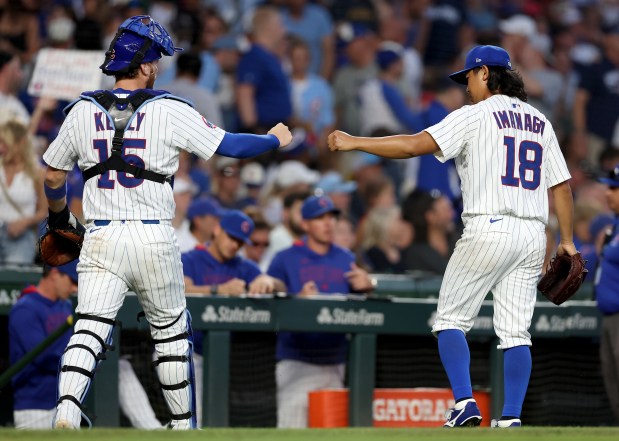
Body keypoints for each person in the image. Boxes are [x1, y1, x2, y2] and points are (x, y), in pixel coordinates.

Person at [41, 15, 291, 430]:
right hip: (154, 233)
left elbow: (52, 174)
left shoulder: (81, 110)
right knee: (171, 332)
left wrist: (58, 218)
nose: (158, 66)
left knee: (89, 328)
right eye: (154, 60)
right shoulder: (170, 109)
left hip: (102, 233)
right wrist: (273, 139)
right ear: (142, 65)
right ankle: (181, 425)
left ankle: (67, 410)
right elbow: (229, 145)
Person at [328, 45, 577, 428]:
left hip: (489, 225)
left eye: (469, 77)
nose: (465, 86)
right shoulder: (539, 120)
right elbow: (561, 186)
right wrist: (569, 241)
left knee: (449, 319)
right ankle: (510, 419)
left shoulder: (475, 116)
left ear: (485, 74)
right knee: (515, 332)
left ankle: (464, 402)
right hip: (533, 233)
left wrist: (356, 142)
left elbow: (413, 146)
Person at [267, 195, 375, 428]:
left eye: (331, 217)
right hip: (297, 358)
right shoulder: (285, 258)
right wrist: (297, 301)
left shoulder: (346, 257)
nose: (328, 224)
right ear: (305, 224)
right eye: (320, 218)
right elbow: (270, 302)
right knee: (291, 431)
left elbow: (361, 306)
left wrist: (367, 287)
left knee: (331, 431)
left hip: (335, 359)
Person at [181, 209, 285, 426]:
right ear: (217, 230)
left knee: (218, 422)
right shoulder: (191, 257)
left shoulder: (243, 266)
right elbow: (183, 288)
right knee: (193, 418)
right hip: (187, 350)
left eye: (240, 241)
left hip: (226, 357)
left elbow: (280, 285)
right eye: (232, 238)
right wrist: (219, 290)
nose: (235, 245)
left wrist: (267, 281)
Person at [9, 261, 78, 429]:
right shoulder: (25, 308)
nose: (75, 288)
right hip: (35, 406)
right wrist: (78, 365)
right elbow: (43, 357)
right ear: (55, 274)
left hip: (65, 402)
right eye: (72, 281)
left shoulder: (66, 306)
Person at [0, 120, 47, 264]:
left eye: (5, 143)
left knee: (15, 281)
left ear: (20, 143)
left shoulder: (37, 173)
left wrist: (25, 222)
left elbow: (43, 211)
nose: (1, 148)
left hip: (20, 237)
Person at [594, 165, 619, 423]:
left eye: (614, 188)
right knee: (613, 388)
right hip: (610, 317)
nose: (608, 193)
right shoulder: (614, 225)